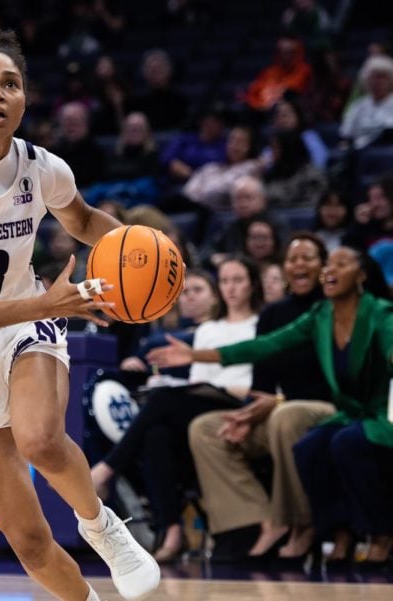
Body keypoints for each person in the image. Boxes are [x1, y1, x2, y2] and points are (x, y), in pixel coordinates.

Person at [0, 27, 159, 601]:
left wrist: (144, 249)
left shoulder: (44, 168)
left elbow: (86, 222)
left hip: (25, 323)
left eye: (10, 84)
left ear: (25, 99)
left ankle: (103, 527)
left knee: (43, 440)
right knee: (29, 541)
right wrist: (48, 301)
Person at [147, 246, 393, 569]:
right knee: (310, 446)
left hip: (378, 416)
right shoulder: (321, 316)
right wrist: (195, 356)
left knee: (342, 441)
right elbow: (265, 346)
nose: (329, 270)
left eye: (341, 264)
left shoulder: (380, 313)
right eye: (329, 264)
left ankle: (380, 534)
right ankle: (333, 530)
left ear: (361, 275)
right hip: (345, 416)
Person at [89, 255, 263, 563]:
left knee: (162, 400)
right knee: (156, 434)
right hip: (202, 403)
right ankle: (172, 529)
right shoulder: (209, 329)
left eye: (238, 281)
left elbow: (254, 380)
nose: (231, 288)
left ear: (253, 284)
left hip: (241, 402)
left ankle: (106, 469)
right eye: (225, 281)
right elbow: (200, 381)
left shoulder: (260, 324)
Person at [186, 233, 334, 563]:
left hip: (327, 409)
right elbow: (261, 383)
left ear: (324, 266)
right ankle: (252, 523)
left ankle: (299, 522)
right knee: (206, 428)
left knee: (287, 415)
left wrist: (278, 402)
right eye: (292, 259)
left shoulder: (332, 309)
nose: (298, 264)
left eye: (307, 258)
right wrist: (247, 415)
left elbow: (335, 380)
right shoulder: (273, 314)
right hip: (280, 410)